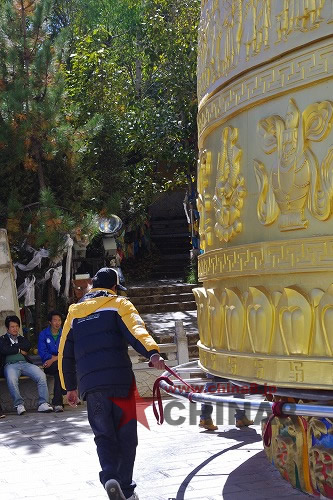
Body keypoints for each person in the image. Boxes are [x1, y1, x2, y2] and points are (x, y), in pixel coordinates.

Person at [58, 267, 165, 500]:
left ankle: (109, 478)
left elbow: (64, 351)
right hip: (120, 383)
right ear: (114, 287)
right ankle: (125, 488)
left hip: (92, 388)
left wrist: (70, 387)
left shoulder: (74, 313)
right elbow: (137, 330)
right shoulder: (119, 304)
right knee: (127, 436)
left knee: (103, 435)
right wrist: (152, 353)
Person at [0, 315, 53, 415]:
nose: (15, 329)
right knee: (11, 379)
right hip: (10, 365)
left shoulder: (22, 338)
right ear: (7, 328)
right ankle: (19, 404)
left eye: (16, 326)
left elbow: (27, 346)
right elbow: (4, 349)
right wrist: (19, 350)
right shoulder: (2, 339)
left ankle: (43, 403)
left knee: (41, 375)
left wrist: (13, 348)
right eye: (12, 327)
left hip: (25, 364)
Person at [38, 310, 66, 412]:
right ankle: (59, 401)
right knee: (61, 369)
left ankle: (58, 403)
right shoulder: (43, 334)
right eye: (55, 320)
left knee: (60, 370)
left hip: (60, 363)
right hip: (48, 365)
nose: (57, 323)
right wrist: (55, 358)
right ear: (50, 322)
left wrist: (54, 358)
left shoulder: (64, 333)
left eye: (59, 320)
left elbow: (66, 351)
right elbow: (42, 352)